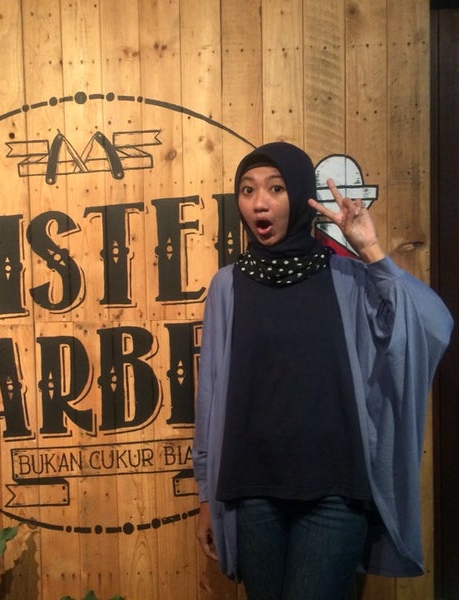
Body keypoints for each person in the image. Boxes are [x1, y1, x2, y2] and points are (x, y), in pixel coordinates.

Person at [192, 141, 453, 600]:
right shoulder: (227, 286)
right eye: (248, 190)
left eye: (275, 188)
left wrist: (369, 249)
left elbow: (431, 324)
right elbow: (210, 394)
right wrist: (205, 496)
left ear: (299, 194)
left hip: (335, 490)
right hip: (252, 490)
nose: (259, 202)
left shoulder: (346, 277)